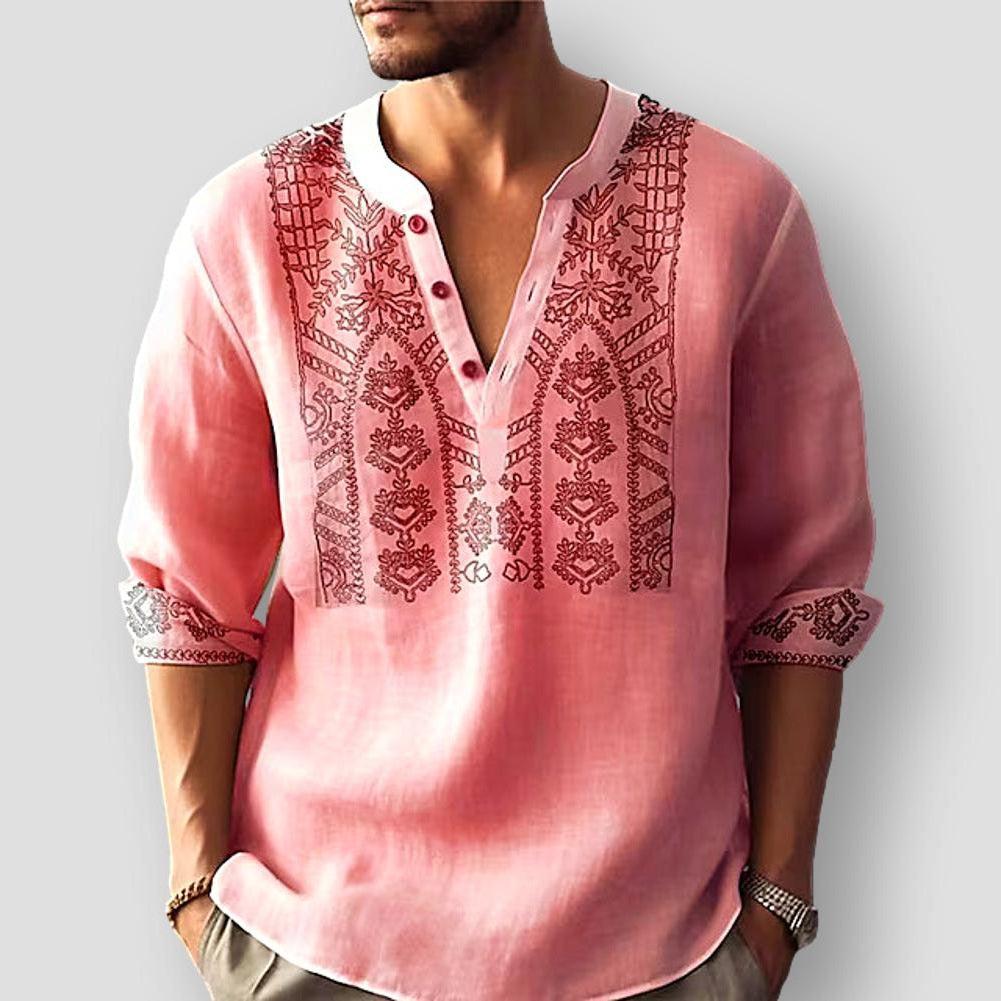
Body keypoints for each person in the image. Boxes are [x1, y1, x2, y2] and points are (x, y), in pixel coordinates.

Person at [115, 2, 885, 999]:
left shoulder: (735, 211)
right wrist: (195, 892)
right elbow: (187, 586)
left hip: (661, 950)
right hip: (317, 948)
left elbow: (799, 587)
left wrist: (774, 908)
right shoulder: (248, 224)